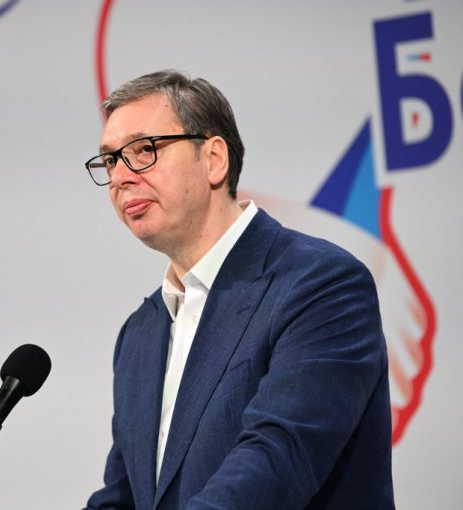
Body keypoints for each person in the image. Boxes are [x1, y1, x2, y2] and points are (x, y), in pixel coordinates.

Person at [82, 70, 394, 509]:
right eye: (111, 160)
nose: (119, 177)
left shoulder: (321, 286)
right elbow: (123, 496)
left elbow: (276, 463)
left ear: (213, 159)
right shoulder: (140, 333)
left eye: (144, 150)